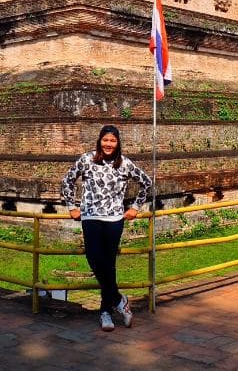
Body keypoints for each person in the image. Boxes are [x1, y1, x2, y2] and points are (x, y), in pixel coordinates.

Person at [61, 124, 153, 332]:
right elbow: (67, 181)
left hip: (114, 219)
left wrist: (135, 207)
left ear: (118, 143)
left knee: (108, 265)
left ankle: (105, 311)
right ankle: (120, 300)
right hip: (91, 217)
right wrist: (71, 206)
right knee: (94, 259)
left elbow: (146, 182)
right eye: (105, 140)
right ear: (99, 141)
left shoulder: (124, 164)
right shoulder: (87, 159)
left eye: (112, 140)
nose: (108, 144)